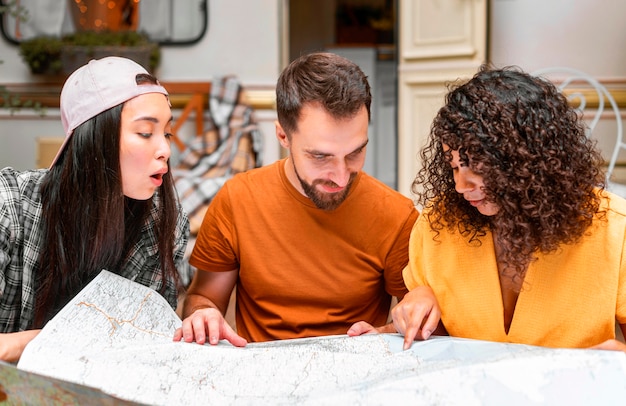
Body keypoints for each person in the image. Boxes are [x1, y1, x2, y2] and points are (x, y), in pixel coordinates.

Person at [174, 52, 419, 347]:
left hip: (354, 375)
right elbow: (204, 297)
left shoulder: (396, 215)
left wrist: (383, 333)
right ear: (282, 136)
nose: (341, 176)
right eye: (320, 156)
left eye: (355, 152)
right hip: (262, 376)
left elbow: (418, 319)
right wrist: (203, 315)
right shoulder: (237, 200)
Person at [375, 65, 626, 352]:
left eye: (478, 166)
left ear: (532, 159)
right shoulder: (438, 223)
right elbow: (434, 347)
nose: (460, 185)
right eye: (454, 165)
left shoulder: (614, 229)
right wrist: (416, 306)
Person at [0, 56, 189, 362]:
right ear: (94, 139)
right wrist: (46, 341)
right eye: (145, 133)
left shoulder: (162, 225)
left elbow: (141, 351)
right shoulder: (8, 205)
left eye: (166, 133)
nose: (165, 149)